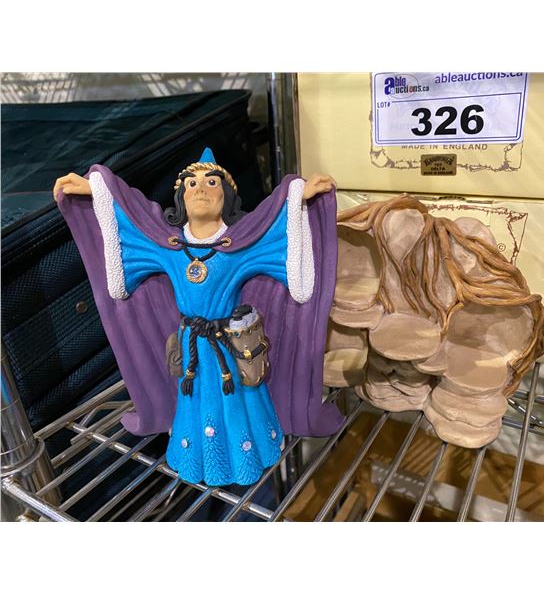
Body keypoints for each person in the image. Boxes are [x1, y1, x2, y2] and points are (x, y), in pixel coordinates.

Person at [54, 148, 344, 486]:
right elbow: (132, 222)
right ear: (180, 198)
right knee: (193, 398)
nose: (201, 189)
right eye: (191, 184)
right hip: (191, 343)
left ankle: (247, 455)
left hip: (229, 346)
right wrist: (96, 191)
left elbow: (272, 224)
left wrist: (298, 198)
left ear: (227, 197)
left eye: (211, 182)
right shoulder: (169, 247)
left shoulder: (240, 245)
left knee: (239, 403)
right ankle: (196, 456)